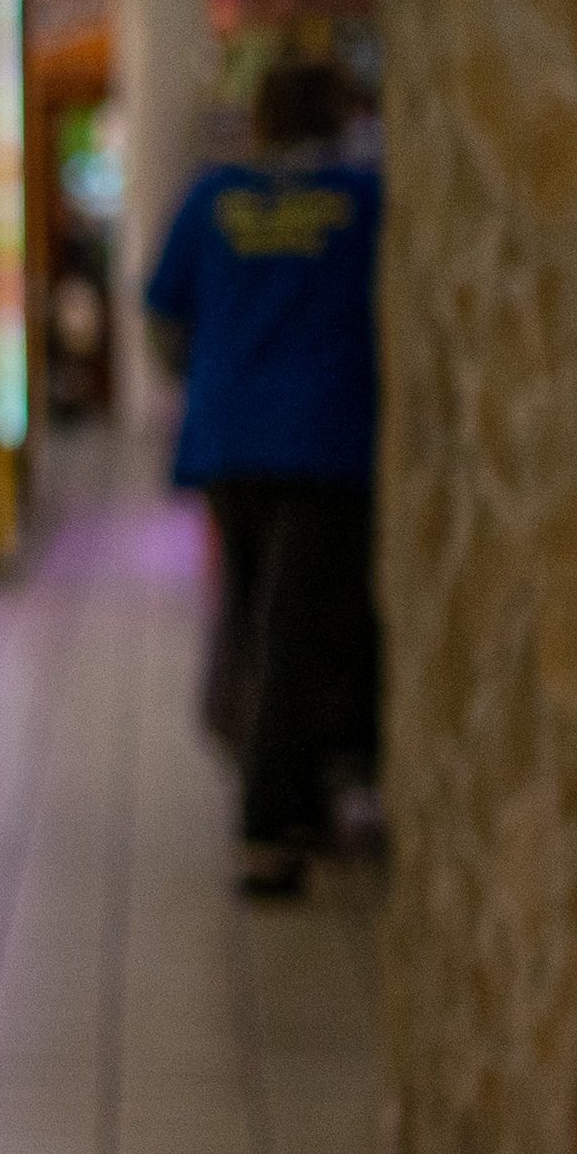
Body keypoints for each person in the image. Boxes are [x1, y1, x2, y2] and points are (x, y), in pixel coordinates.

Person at [144, 58, 383, 900]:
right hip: (325, 440)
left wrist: (218, 377)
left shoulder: (214, 198)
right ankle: (271, 824)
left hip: (228, 439)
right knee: (300, 628)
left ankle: (276, 781)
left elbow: (162, 311)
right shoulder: (362, 198)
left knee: (248, 616)